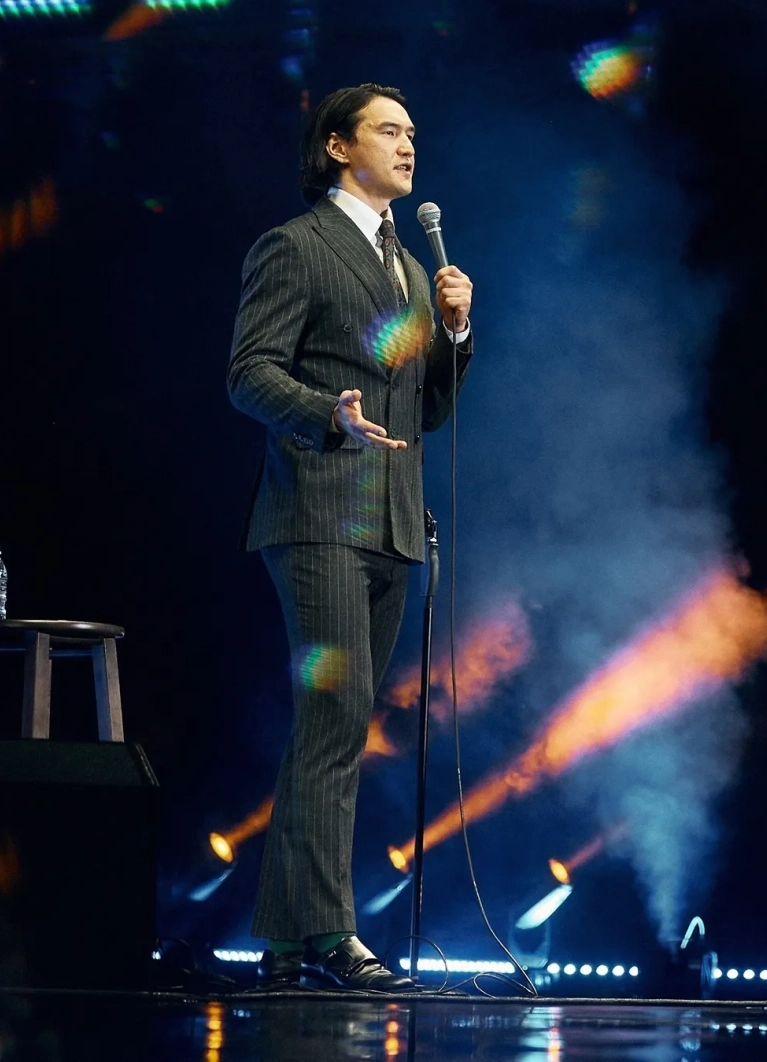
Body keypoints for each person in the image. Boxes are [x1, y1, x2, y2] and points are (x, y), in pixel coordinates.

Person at [228, 83, 473, 992]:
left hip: (393, 521)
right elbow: (249, 373)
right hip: (320, 511)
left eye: (413, 133)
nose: (408, 146)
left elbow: (428, 409)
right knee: (333, 721)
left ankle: (287, 941)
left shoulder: (409, 266)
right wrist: (325, 412)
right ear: (337, 145)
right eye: (387, 131)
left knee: (335, 727)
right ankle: (331, 934)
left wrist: (456, 333)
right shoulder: (296, 246)